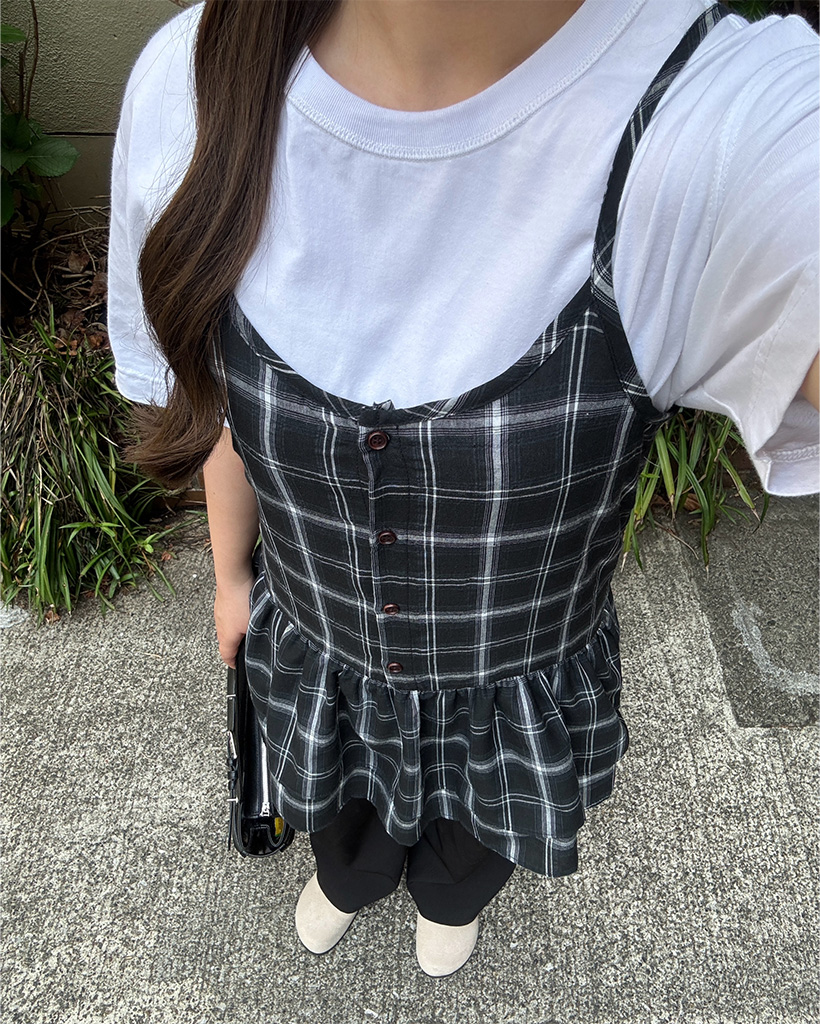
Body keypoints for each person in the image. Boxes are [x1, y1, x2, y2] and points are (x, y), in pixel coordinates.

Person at [107, 0, 819, 978]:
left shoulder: (719, 130)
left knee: (475, 837)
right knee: (338, 806)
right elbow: (221, 410)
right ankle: (350, 876)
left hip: (514, 687)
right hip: (320, 651)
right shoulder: (188, 89)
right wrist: (232, 576)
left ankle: (449, 898)